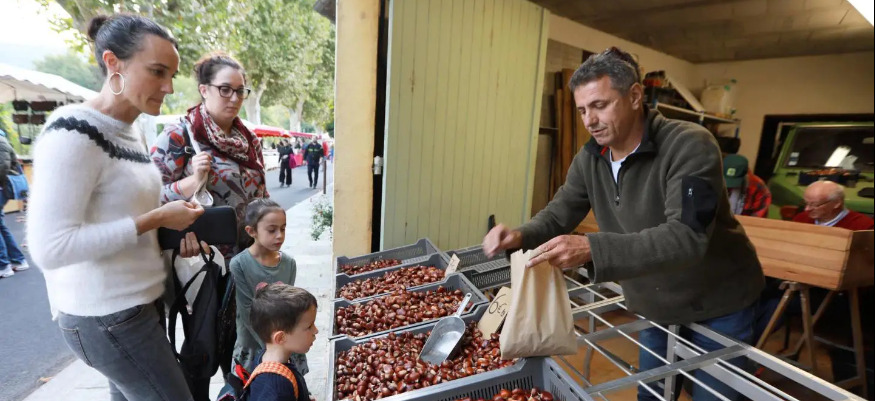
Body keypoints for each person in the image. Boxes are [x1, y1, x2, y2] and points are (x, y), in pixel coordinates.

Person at [482, 47, 764, 401]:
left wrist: (592, 248)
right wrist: (519, 235)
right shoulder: (590, 159)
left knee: (714, 397)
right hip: (656, 303)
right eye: (582, 110)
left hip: (718, 304)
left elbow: (687, 237)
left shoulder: (690, 146)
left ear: (634, 96)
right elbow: (558, 215)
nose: (589, 120)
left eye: (600, 105)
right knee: (652, 396)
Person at [25, 14, 204, 401]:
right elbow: (51, 248)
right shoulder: (72, 132)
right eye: (157, 72)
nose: (169, 87)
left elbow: (123, 207)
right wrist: (155, 219)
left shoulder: (130, 130)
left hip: (138, 307)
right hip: (108, 316)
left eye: (172, 75)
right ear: (113, 63)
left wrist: (176, 216)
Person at [151, 51, 268, 258]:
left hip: (249, 257)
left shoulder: (249, 141)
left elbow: (262, 196)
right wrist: (193, 181)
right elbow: (151, 197)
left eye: (240, 91)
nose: (235, 98)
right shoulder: (179, 135)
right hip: (204, 259)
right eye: (225, 89)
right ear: (204, 90)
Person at [230, 198, 308, 376]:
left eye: (283, 228)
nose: (279, 235)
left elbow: (288, 305)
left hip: (284, 342)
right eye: (272, 230)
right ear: (251, 231)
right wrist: (272, 350)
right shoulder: (239, 264)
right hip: (253, 344)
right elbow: (247, 311)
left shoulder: (289, 263)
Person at [246, 283, 317, 401]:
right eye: (309, 326)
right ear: (280, 338)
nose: (316, 330)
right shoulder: (277, 392)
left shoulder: (264, 358)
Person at [0, 130, 28, 278]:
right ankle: (17, 260)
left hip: (3, 186)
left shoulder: (0, 142)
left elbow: (2, 166)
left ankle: (4, 265)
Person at [792, 180, 874, 230]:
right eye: (806, 203)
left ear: (837, 203)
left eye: (815, 205)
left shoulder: (864, 227)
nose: (807, 209)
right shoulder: (800, 219)